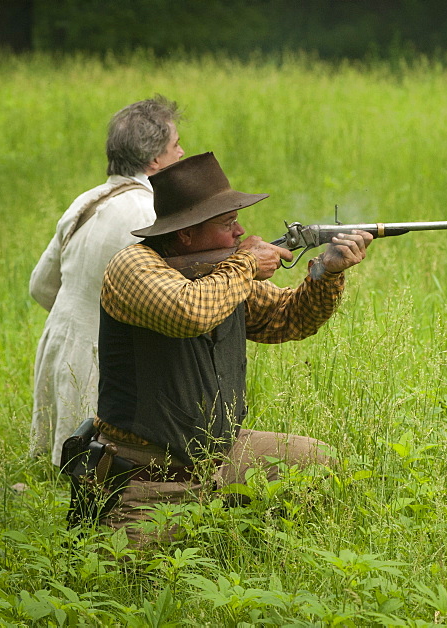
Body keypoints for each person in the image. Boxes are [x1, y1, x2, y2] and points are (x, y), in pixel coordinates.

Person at [87, 152, 371, 543]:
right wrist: (245, 265)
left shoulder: (224, 273)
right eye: (227, 223)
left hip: (222, 454)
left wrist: (327, 272)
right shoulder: (133, 266)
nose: (240, 233)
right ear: (186, 234)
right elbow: (188, 312)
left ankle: (263, 543)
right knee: (128, 587)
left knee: (318, 461)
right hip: (148, 472)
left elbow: (290, 318)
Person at [30, 95, 185, 465]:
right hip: (103, 357)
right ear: (154, 160)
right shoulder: (151, 212)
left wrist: (79, 320)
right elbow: (174, 299)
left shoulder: (85, 201)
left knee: (61, 469)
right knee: (91, 473)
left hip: (59, 341)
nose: (182, 153)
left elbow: (40, 285)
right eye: (175, 145)